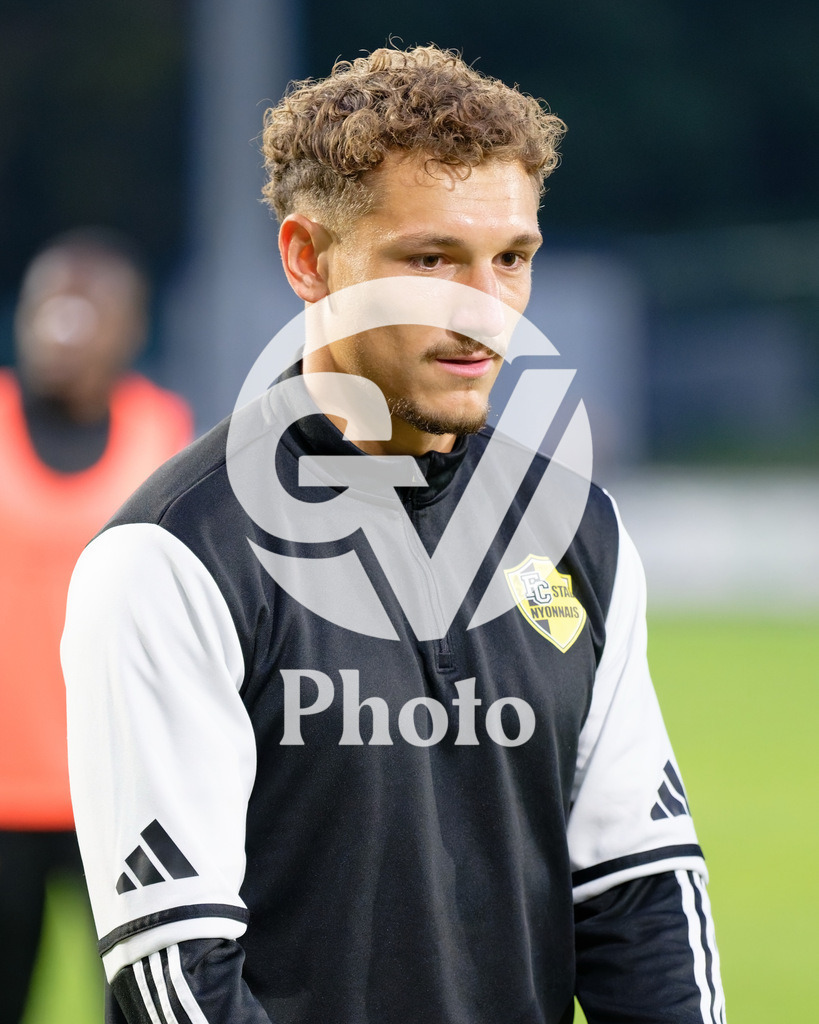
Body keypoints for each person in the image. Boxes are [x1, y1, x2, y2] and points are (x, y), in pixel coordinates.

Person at [61, 47, 726, 1024]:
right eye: (430, 259)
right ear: (307, 257)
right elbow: (179, 977)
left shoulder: (578, 530)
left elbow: (643, 904)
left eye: (512, 258)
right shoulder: (171, 558)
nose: (484, 309)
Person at [0, 229, 192, 1023]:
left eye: (87, 306)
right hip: (4, 794)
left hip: (118, 792)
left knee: (141, 1003)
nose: (63, 324)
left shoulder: (165, 438)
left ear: (129, 328)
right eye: (48, 303)